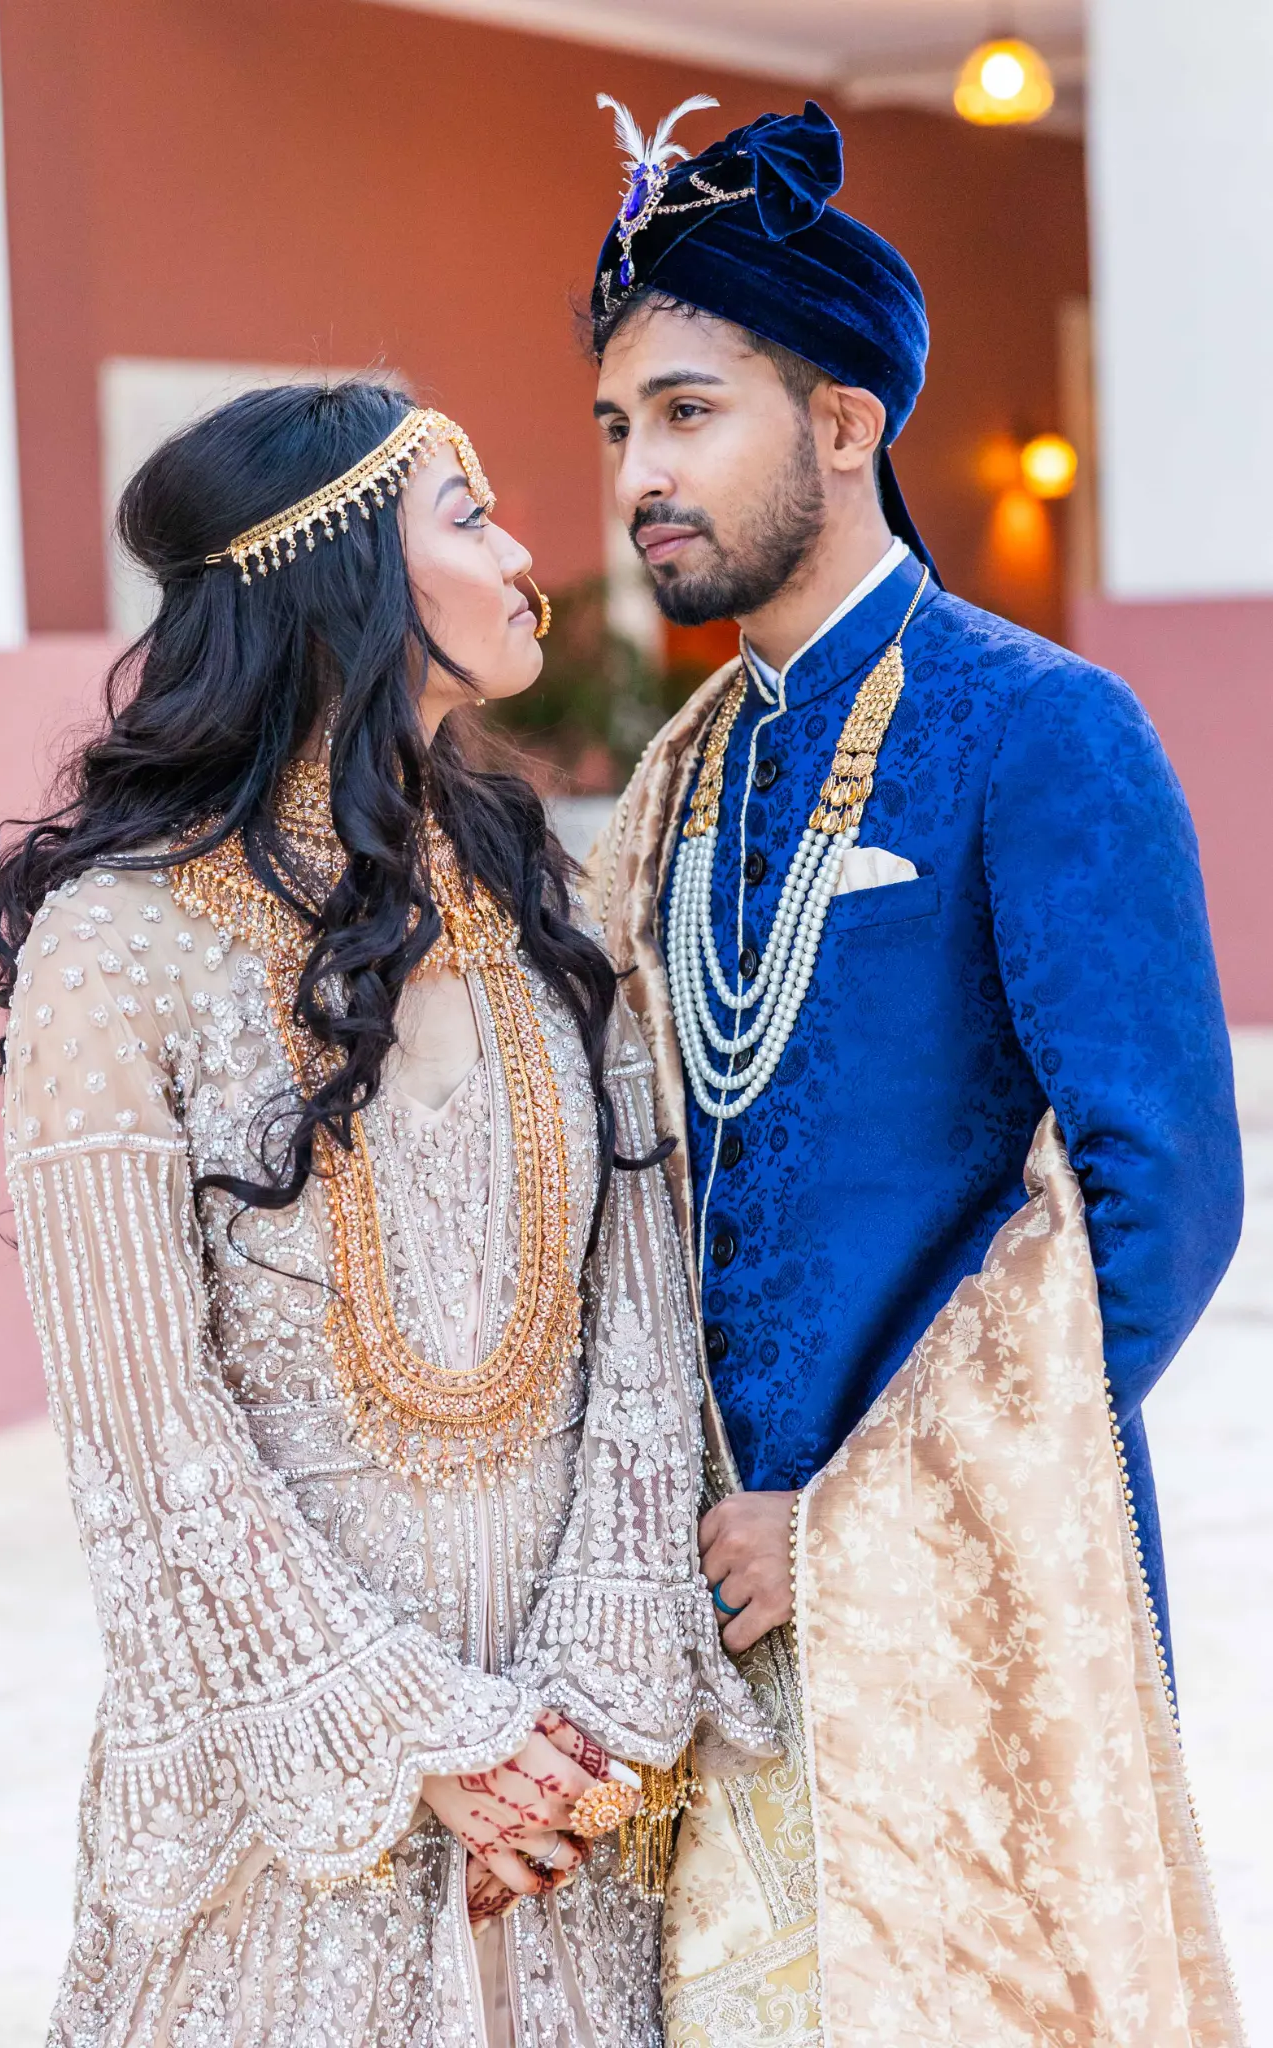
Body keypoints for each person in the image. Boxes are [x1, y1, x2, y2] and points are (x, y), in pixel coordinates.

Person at [0, 382, 768, 2046]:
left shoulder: (535, 890)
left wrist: (599, 1679)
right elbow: (147, 1445)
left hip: (573, 1802)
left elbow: (637, 1314)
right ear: (334, 567)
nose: (527, 552)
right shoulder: (115, 948)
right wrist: (434, 1738)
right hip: (293, 1797)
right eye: (467, 518)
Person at [585, 98, 1247, 2040]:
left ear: (848, 420)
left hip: (957, 1603)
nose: (638, 474)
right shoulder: (676, 776)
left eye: (690, 412)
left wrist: (863, 1523)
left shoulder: (1039, 727)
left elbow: (1165, 1193)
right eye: (620, 425)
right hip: (706, 1636)